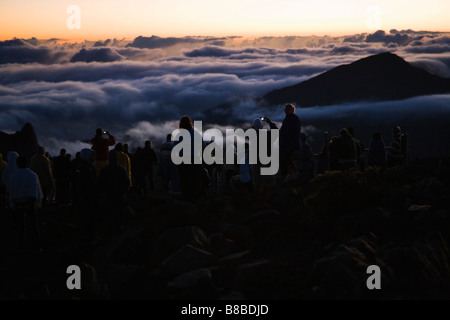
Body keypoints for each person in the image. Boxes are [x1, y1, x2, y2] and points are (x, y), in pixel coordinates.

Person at [8, 156, 43, 251]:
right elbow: (38, 190)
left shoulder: (13, 176)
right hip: (31, 203)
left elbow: (11, 191)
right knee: (33, 225)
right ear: (27, 163)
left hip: (18, 204)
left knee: (20, 226)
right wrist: (39, 203)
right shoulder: (32, 175)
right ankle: (36, 245)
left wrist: (11, 204)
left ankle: (21, 246)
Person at [99, 150, 130, 237]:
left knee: (108, 215)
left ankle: (108, 232)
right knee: (118, 214)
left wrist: (102, 193)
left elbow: (100, 183)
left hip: (108, 196)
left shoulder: (104, 169)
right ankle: (118, 230)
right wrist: (124, 192)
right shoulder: (121, 169)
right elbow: (127, 183)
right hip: (119, 196)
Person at [174, 115, 205, 200]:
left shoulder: (180, 135)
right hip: (196, 158)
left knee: (184, 179)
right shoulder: (197, 134)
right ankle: (196, 197)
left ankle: (186, 197)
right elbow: (203, 146)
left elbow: (175, 148)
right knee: (196, 178)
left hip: (183, 159)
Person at [72, 149, 98, 241]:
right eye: (91, 156)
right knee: (88, 218)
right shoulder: (85, 168)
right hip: (87, 198)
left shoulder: (84, 166)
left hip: (85, 198)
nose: (93, 158)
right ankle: (89, 238)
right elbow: (88, 184)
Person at [251, 117, 278, 206]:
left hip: (256, 162)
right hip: (266, 162)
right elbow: (276, 132)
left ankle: (258, 201)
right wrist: (270, 122)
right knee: (265, 182)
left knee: (257, 183)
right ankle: (263, 201)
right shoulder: (267, 135)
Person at [279, 104, 302, 181]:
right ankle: (291, 175)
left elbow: (293, 133)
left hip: (289, 145)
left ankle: (292, 175)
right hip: (288, 144)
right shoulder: (291, 119)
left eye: (287, 109)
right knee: (286, 160)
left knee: (286, 160)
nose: (285, 110)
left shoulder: (291, 119)